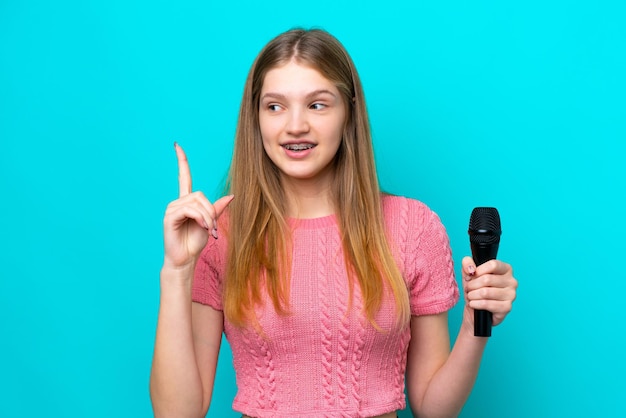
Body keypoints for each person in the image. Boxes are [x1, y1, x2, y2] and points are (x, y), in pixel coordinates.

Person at [149, 28, 517, 418]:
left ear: (349, 113)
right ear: (254, 117)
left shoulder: (414, 227)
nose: (295, 126)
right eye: (274, 106)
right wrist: (176, 271)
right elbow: (177, 413)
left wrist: (475, 326)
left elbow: (433, 408)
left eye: (317, 105)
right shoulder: (222, 233)